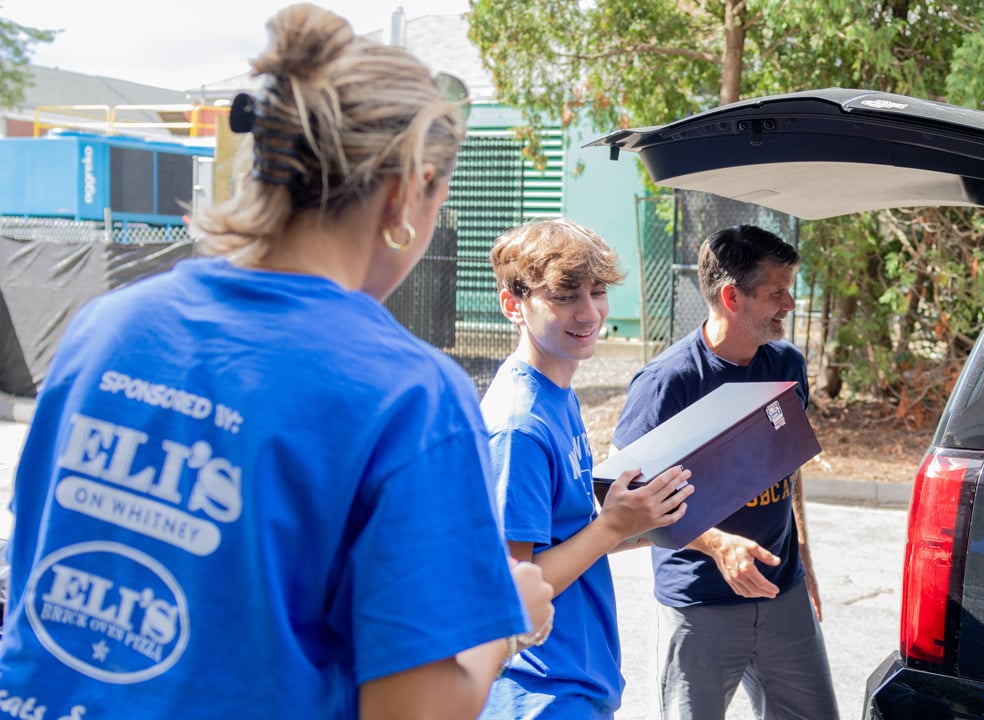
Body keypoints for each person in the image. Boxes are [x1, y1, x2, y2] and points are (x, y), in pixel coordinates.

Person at [0, 5, 553, 719]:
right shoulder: (409, 395)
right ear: (407, 192)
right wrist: (497, 622)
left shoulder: (104, 327)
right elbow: (414, 710)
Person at [612, 224, 839, 719]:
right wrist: (717, 545)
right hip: (700, 605)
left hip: (784, 593)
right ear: (732, 296)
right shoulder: (666, 383)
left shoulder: (787, 364)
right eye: (777, 292)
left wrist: (803, 556)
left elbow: (790, 463)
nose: (790, 304)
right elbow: (620, 502)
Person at [479, 218, 695, 719]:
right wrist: (614, 524)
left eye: (597, 291)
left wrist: (644, 522)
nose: (589, 311)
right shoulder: (517, 427)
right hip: (540, 693)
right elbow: (513, 589)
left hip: (576, 683)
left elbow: (567, 537)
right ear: (514, 305)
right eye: (563, 295)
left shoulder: (556, 394)